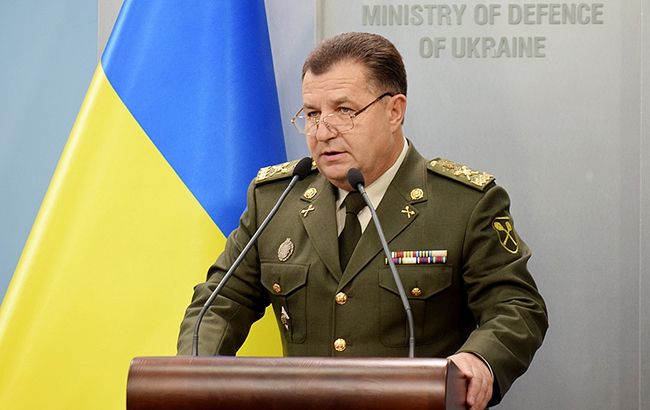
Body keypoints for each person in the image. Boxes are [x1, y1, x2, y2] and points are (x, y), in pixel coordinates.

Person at [178, 32, 548, 409]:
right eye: (312, 114)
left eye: (344, 111)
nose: (323, 132)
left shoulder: (463, 204)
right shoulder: (276, 199)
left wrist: (479, 358)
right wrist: (193, 375)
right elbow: (220, 302)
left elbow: (516, 306)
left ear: (394, 111)